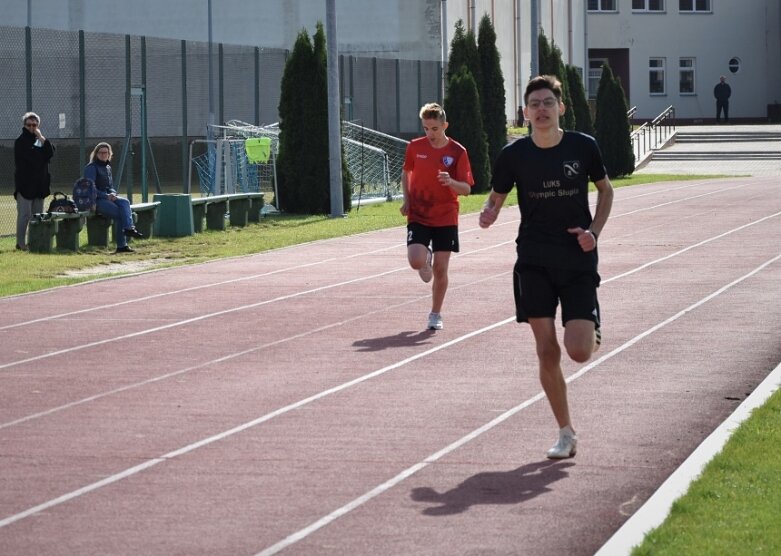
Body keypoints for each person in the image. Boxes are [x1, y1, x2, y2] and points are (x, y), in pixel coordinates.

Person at [479, 75, 614, 459]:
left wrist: (594, 231)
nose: (541, 109)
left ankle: (592, 327)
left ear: (561, 108)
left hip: (576, 256)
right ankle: (565, 432)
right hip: (534, 260)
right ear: (525, 113)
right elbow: (496, 197)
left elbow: (606, 190)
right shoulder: (513, 155)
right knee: (546, 350)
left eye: (547, 102)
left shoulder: (582, 146)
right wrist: (489, 213)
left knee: (578, 352)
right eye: (534, 104)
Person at [401, 102, 474, 330]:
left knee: (441, 269)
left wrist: (450, 182)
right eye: (425, 128)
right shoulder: (414, 147)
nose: (430, 134)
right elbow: (406, 172)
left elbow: (467, 189)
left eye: (434, 128)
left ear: (445, 125)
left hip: (445, 216)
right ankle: (424, 260)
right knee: (415, 261)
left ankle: (435, 313)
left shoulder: (457, 152)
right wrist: (407, 199)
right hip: (419, 213)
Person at [84, 142, 143, 253]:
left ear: (109, 154)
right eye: (100, 153)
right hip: (96, 200)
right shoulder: (91, 168)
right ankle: (122, 244)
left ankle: (129, 229)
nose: (103, 155)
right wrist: (106, 195)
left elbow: (111, 187)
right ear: (96, 154)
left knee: (125, 202)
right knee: (120, 214)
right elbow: (90, 188)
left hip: (108, 197)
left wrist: (113, 194)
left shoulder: (108, 167)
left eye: (105, 153)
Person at [14, 112, 55, 250]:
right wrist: (41, 154)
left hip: (40, 184)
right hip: (25, 185)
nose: (32, 127)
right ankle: (20, 243)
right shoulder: (20, 142)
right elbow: (32, 159)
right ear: (24, 126)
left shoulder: (40, 140)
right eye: (29, 125)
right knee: (24, 216)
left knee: (37, 216)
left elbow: (50, 152)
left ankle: (35, 241)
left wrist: (41, 138)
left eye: (35, 125)